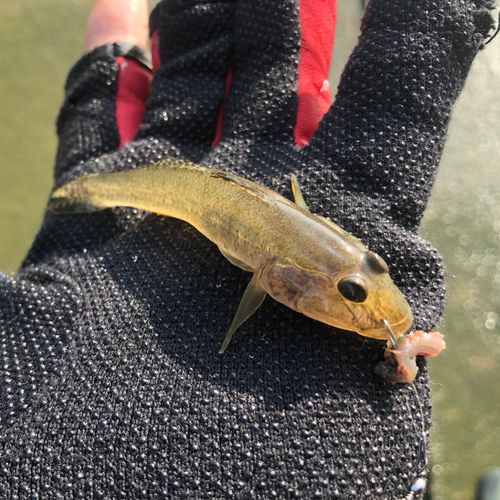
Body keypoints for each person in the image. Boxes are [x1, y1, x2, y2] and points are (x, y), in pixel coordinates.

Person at [0, 0, 495, 498]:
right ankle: (89, 192)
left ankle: (89, 191)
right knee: (99, 190)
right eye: (352, 290)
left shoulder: (328, 264)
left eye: (368, 273)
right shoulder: (279, 272)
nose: (370, 298)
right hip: (160, 191)